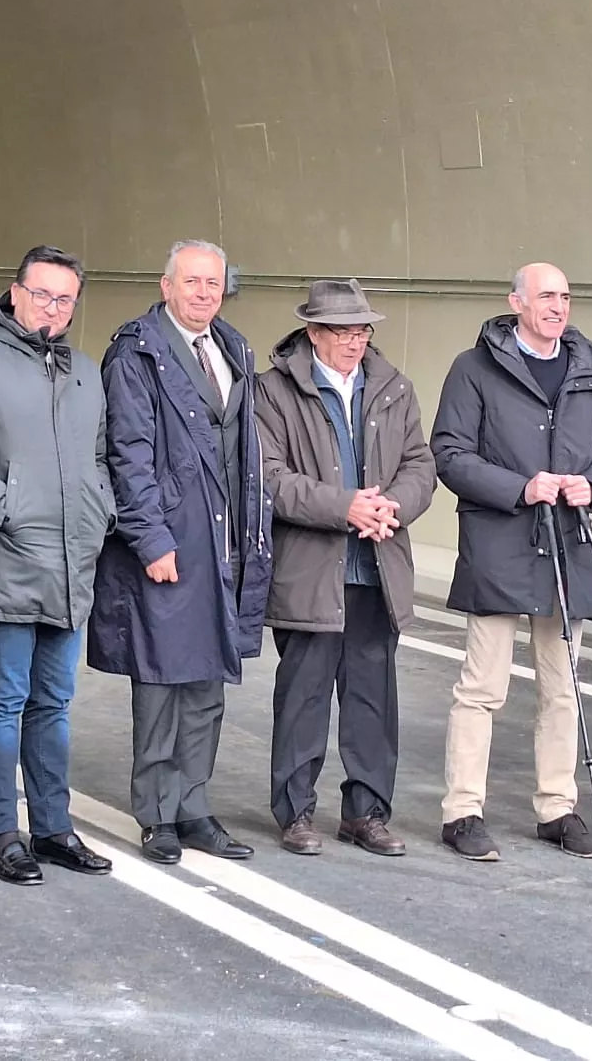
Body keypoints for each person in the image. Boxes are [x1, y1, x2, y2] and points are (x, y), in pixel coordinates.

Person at [0, 246, 116, 885]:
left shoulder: (84, 372)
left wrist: (100, 513)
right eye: (42, 295)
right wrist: (4, 508)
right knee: (5, 700)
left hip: (71, 561)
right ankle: (3, 834)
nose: (53, 309)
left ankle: (54, 827)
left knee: (54, 704)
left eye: (65, 299)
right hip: (8, 557)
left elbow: (100, 456)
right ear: (15, 293)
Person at [87, 240, 272, 865]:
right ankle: (156, 814)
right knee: (162, 680)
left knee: (207, 681)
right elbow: (127, 455)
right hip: (168, 543)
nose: (203, 292)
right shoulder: (135, 351)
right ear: (166, 285)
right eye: (190, 281)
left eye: (213, 282)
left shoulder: (234, 348)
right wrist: (151, 540)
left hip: (222, 542)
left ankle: (193, 806)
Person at [432, 263, 592, 863]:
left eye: (565, 295)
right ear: (516, 302)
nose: (557, 306)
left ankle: (557, 808)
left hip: (568, 544)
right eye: (545, 296)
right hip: (499, 543)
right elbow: (449, 454)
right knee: (482, 687)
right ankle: (463, 811)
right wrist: (522, 487)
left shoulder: (588, 369)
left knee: (563, 689)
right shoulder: (473, 367)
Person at [256, 278, 434, 857]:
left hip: (376, 565)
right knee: (304, 694)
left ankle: (366, 814)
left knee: (372, 699)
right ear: (312, 332)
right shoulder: (273, 392)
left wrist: (392, 508)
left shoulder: (393, 387)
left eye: (361, 331)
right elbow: (271, 479)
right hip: (311, 570)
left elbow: (419, 464)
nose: (354, 342)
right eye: (341, 332)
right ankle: (296, 813)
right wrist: (345, 508)